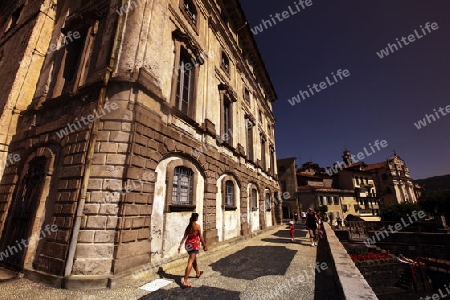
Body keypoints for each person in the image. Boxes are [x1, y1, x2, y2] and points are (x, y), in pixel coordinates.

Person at [178, 213, 208, 288]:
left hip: (188, 245)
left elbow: (184, 237)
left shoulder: (188, 227)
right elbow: (200, 237)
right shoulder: (197, 227)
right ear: (196, 218)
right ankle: (185, 281)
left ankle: (198, 272)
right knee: (191, 261)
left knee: (194, 259)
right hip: (194, 245)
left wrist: (180, 246)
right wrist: (204, 245)